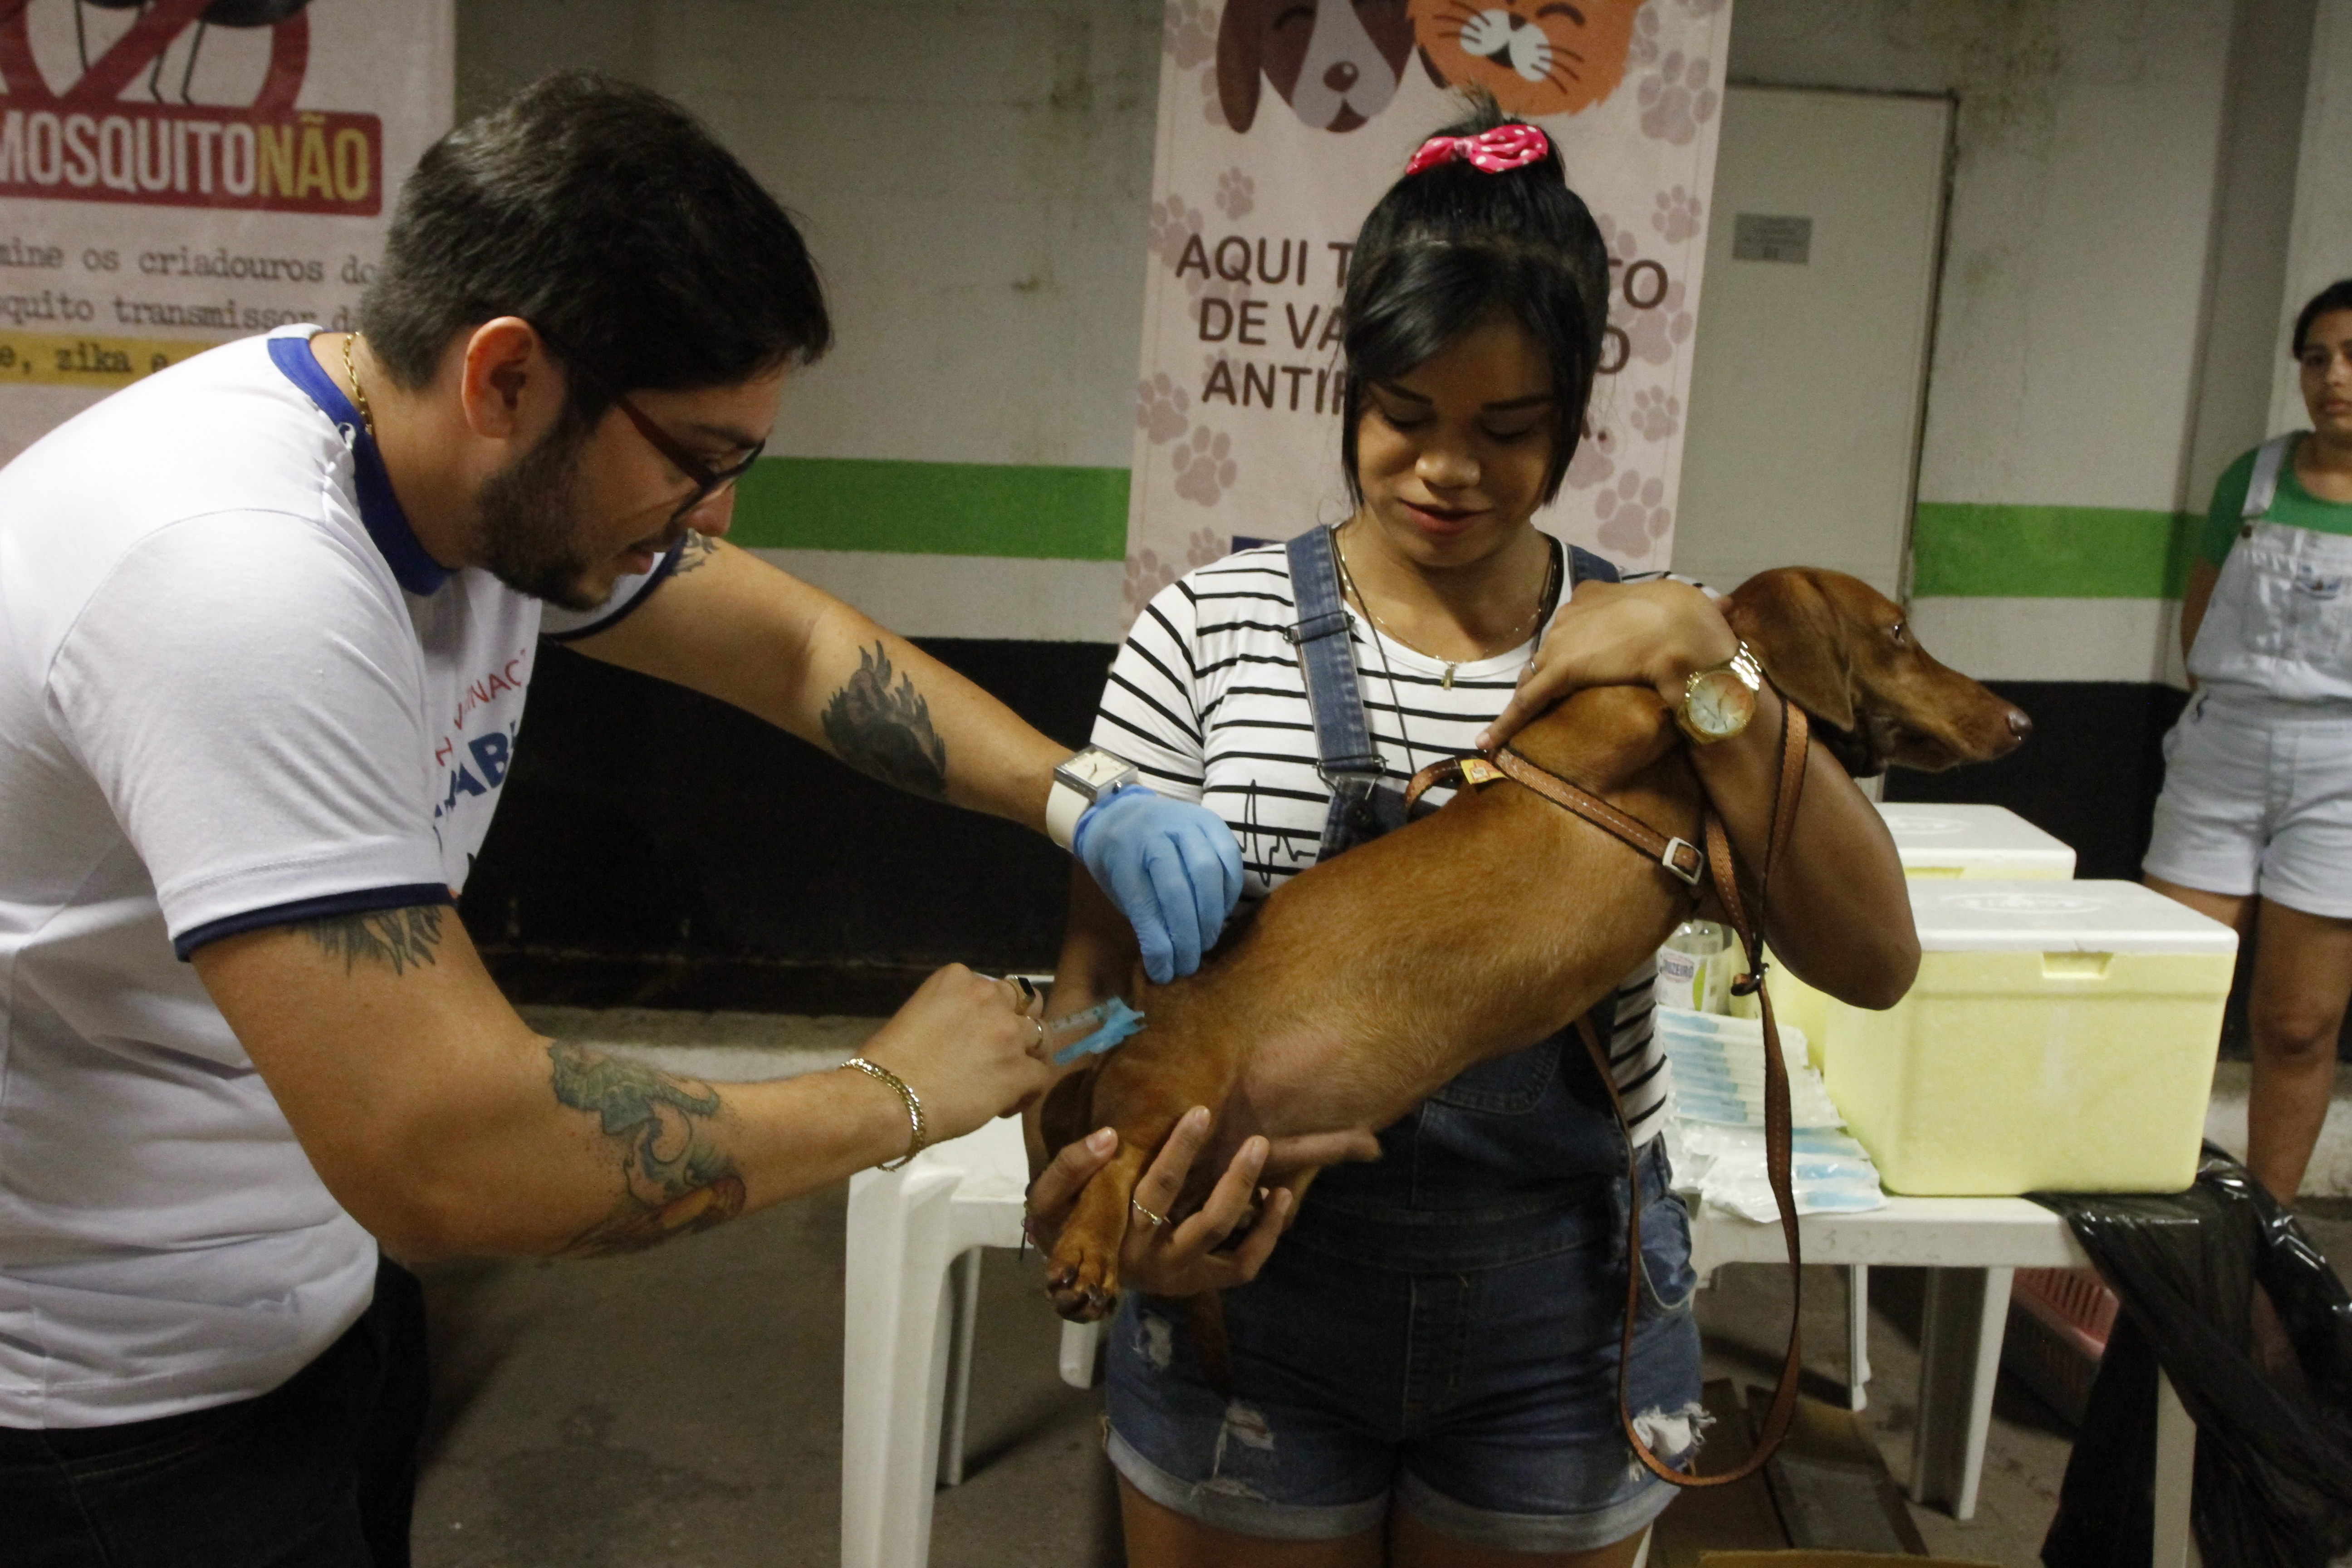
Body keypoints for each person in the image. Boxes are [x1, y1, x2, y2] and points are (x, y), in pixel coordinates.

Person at [0, 73, 1250, 1563]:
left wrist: (1076, 790)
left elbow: (797, 653)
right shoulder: (238, 582)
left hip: (303, 1297)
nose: (713, 516)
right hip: (100, 1412)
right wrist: (893, 1095)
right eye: (695, 457)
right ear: (507, 378)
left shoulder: (472, 486)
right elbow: (452, 1149)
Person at [1020, 102, 1918, 1568]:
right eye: (1403, 414)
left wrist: (1713, 671)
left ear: (1570, 418)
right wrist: (1088, 1188)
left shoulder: (1657, 645)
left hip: (1560, 1311)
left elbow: (1873, 956)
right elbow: (1086, 997)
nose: (1446, 470)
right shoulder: (1208, 631)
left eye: (1505, 431)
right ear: (1349, 391)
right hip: (1253, 1287)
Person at [2146, 278, 2352, 1205]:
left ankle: (2267, 1249)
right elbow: (2199, 632)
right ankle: (2145, 1209)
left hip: (2345, 773)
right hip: (2226, 752)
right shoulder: (2253, 479)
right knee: (2168, 993)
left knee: (2299, 1024)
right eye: (2317, 359)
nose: (2335, 378)